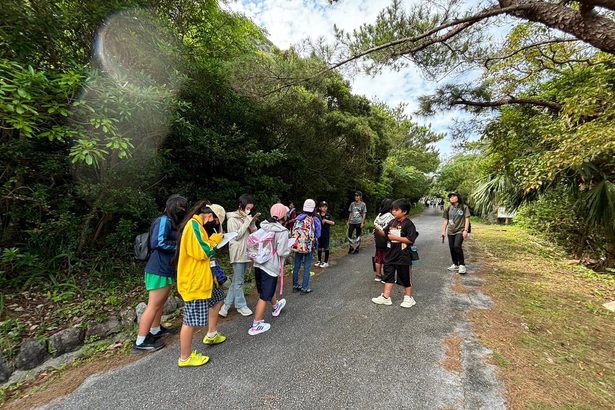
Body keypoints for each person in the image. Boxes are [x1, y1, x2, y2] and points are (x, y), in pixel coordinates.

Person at [133, 194, 187, 352]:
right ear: (172, 207)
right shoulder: (163, 220)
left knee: (160, 304)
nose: (182, 210)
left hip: (165, 269)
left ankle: (155, 330)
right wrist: (180, 247)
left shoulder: (172, 222)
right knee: (153, 305)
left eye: (184, 207)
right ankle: (140, 341)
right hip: (158, 269)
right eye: (180, 207)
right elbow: (158, 242)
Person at [176, 202, 228, 367]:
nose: (213, 227)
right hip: (194, 282)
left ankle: (211, 334)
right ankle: (185, 357)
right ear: (210, 217)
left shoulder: (196, 225)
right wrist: (216, 239)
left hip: (204, 279)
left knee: (219, 298)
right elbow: (205, 251)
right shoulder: (194, 225)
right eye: (215, 224)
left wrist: (213, 239)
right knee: (190, 321)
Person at [249, 203, 291, 335]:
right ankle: (257, 324)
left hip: (258, 263)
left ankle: (275, 305)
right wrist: (289, 247)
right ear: (284, 215)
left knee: (266, 289)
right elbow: (282, 252)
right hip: (270, 266)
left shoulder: (264, 225)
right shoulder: (282, 231)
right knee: (264, 296)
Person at [371, 198, 419, 308]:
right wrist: (378, 230)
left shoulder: (409, 224)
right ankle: (386, 297)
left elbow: (411, 240)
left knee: (405, 277)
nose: (393, 211)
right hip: (390, 254)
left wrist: (396, 237)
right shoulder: (392, 221)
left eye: (396, 210)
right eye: (392, 209)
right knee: (388, 275)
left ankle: (409, 298)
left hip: (403, 255)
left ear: (404, 211)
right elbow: (385, 233)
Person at [219, 194, 258, 318]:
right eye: (247, 208)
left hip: (246, 252)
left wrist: (252, 224)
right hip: (237, 254)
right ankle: (241, 305)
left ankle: (225, 306)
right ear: (241, 206)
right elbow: (236, 236)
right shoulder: (232, 219)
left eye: (251, 209)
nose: (249, 211)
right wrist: (247, 221)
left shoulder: (246, 218)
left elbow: (255, 234)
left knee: (236, 280)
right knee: (239, 282)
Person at [291, 199, 321, 294]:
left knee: (297, 266)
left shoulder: (298, 218)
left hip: (298, 245)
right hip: (309, 246)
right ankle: (304, 288)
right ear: (314, 209)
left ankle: (295, 286)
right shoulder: (315, 219)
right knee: (307, 267)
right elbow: (318, 234)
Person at [441, 192, 471, 274]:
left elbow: (467, 219)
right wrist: (443, 231)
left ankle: (462, 265)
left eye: (453, 196)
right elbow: (446, 220)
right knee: (452, 248)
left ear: (458, 197)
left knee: (457, 246)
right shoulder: (448, 208)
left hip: (460, 230)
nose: (451, 197)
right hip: (451, 231)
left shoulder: (464, 207)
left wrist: (465, 230)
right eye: (450, 197)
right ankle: (455, 264)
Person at [372, 198, 395, 282]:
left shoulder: (379, 215)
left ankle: (378, 275)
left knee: (378, 257)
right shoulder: (390, 216)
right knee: (387, 258)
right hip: (387, 239)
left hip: (378, 239)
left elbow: (375, 225)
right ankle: (386, 277)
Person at [315, 201, 335, 268]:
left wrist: (326, 220)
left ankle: (326, 262)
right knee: (319, 247)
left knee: (326, 247)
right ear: (320, 208)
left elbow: (333, 223)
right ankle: (319, 261)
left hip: (326, 234)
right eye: (322, 206)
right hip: (319, 233)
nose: (324, 208)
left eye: (325, 206)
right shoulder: (317, 215)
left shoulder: (328, 215)